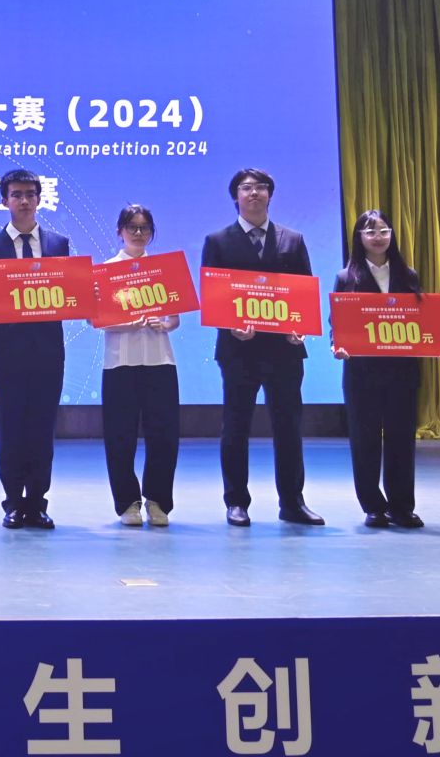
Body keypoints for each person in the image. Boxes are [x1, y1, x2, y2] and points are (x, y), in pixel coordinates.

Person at [200, 167, 321, 527]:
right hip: (239, 350)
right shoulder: (218, 241)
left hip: (285, 350)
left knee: (289, 427)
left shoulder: (292, 240)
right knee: (236, 426)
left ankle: (293, 502)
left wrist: (301, 328)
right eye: (246, 188)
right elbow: (213, 296)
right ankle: (236, 502)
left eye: (261, 187)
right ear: (235, 196)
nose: (254, 193)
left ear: (270, 194)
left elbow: (303, 293)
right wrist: (230, 325)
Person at [0, 168, 72, 530]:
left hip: (48, 349)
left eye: (30, 194)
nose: (24, 201)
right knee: (11, 426)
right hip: (6, 351)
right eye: (16, 194)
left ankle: (38, 503)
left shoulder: (58, 244)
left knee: (43, 428)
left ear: (39, 199)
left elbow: (67, 292)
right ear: (5, 201)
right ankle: (13, 502)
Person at [330, 210, 425, 530]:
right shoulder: (346, 277)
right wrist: (337, 345)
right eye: (370, 232)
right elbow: (337, 322)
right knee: (364, 440)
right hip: (362, 372)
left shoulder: (408, 275)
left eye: (384, 231)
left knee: (402, 439)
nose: (378, 237)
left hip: (403, 372)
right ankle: (373, 506)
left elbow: (423, 321)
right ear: (359, 238)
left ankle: (402, 507)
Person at [99, 204, 181, 527]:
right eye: (131, 227)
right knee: (120, 435)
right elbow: (97, 319)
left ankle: (158, 501)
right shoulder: (106, 271)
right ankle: (127, 503)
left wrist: (165, 324)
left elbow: (175, 318)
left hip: (160, 360)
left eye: (144, 227)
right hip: (120, 362)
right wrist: (126, 322)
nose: (138, 233)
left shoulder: (163, 269)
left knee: (164, 434)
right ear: (119, 231)